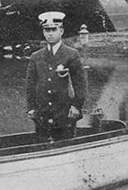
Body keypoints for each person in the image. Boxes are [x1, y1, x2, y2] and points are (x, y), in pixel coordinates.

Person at [25, 11, 86, 142]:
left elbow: (80, 84)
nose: (50, 33)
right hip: (42, 112)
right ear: (43, 32)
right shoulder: (36, 57)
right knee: (42, 145)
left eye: (54, 30)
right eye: (47, 30)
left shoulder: (71, 55)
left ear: (61, 31)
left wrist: (76, 106)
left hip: (65, 112)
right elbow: (30, 84)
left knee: (65, 146)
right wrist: (31, 107)